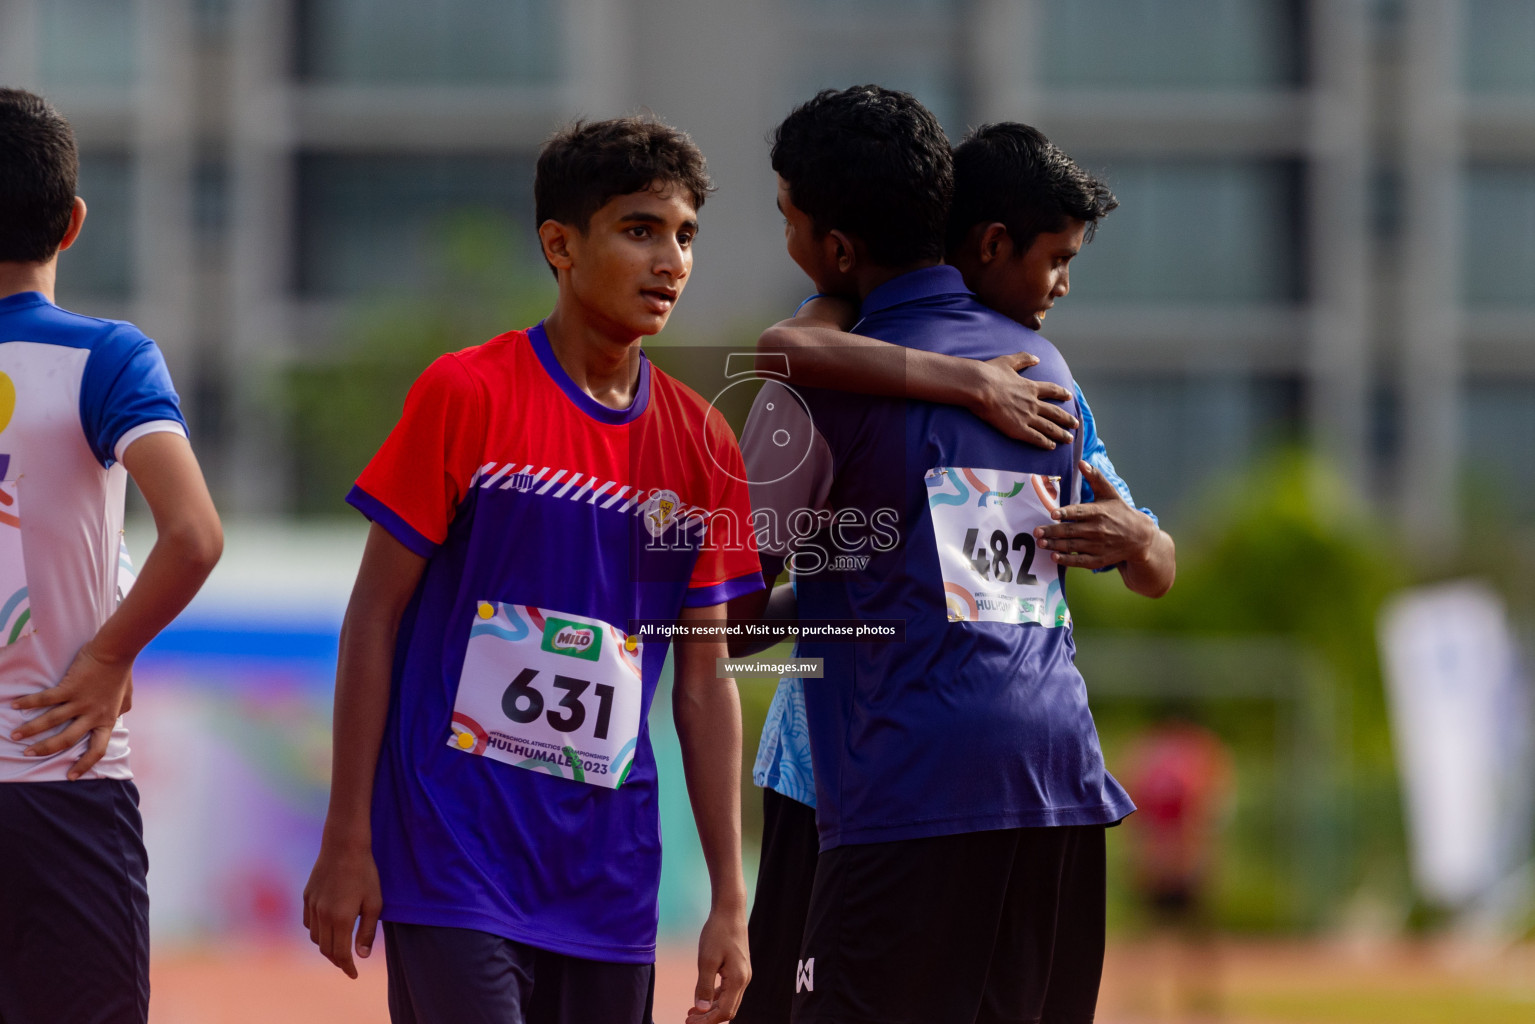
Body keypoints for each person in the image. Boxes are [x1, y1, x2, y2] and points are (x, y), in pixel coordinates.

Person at [301, 116, 765, 1024]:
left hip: (610, 877)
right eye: (640, 230)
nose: (669, 259)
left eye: (684, 237)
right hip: (452, 851)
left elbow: (704, 681)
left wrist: (729, 898)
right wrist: (347, 836)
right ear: (560, 243)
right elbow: (372, 620)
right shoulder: (465, 394)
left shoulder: (703, 444)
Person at [731, 86, 1175, 1023]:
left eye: (786, 220)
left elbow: (723, 617)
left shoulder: (811, 387)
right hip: (1055, 781)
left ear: (835, 245)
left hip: (897, 790)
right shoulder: (1043, 374)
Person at [0, 88, 224, 1024]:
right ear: (75, 222)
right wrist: (105, 655)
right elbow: (196, 534)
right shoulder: (107, 357)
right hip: (60, 781)